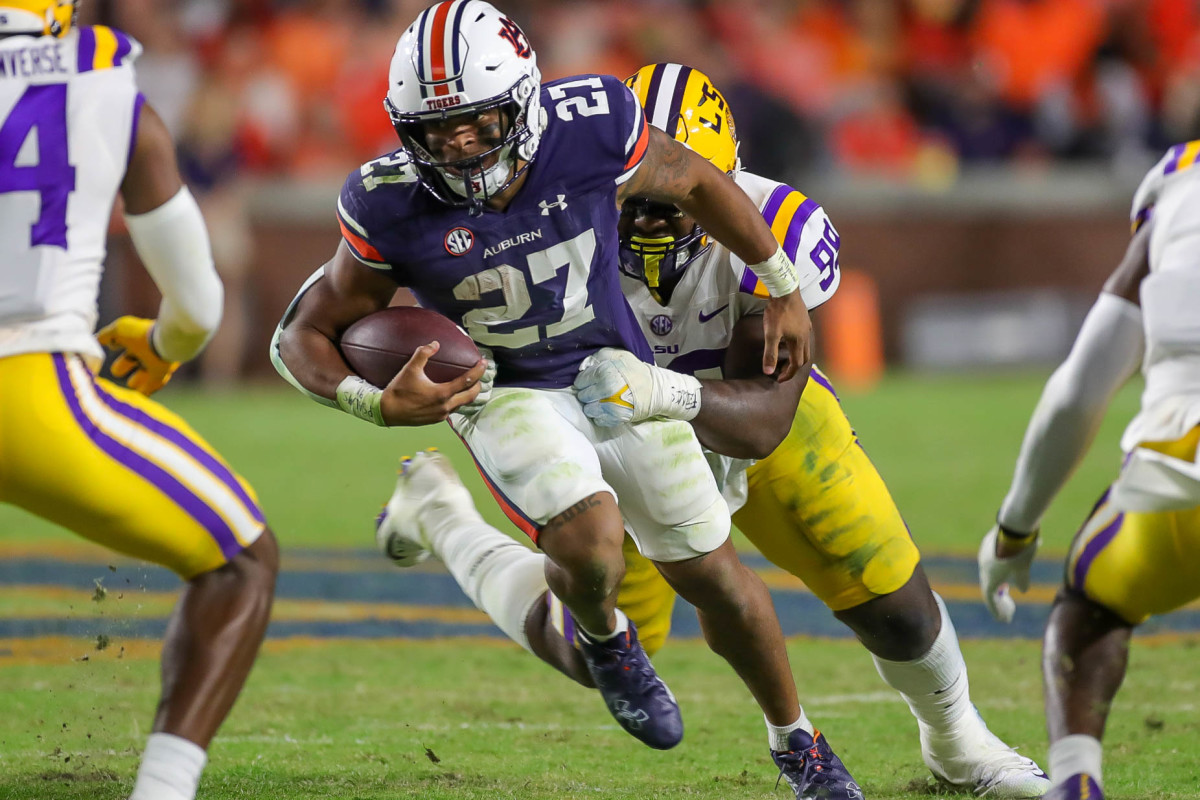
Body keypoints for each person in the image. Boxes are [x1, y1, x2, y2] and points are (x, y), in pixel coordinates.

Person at [377, 64, 1052, 798]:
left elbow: (761, 423)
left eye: (671, 201)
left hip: (751, 420)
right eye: (634, 200)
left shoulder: (775, 226)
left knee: (891, 599)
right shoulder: (549, 215)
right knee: (590, 649)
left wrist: (661, 391)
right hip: (607, 435)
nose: (648, 220)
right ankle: (443, 516)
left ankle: (958, 743)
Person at [272, 3, 848, 796]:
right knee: (592, 539)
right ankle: (608, 638)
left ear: (525, 101)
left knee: (717, 578)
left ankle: (799, 743)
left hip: (613, 367)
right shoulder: (387, 203)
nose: (459, 146)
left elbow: (695, 178)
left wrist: (780, 282)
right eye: (436, 131)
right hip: (502, 389)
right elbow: (299, 336)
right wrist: (371, 403)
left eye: (477, 123)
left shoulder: (595, 127)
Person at [0, 6, 278, 800]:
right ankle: (162, 790)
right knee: (243, 560)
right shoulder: (105, 88)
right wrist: (161, 345)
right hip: (29, 388)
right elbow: (196, 306)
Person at [980, 140, 1200, 800]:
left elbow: (1080, 391)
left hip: (1185, 468)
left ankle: (1076, 780)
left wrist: (1016, 528)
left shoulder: (1181, 187)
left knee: (1092, 606)